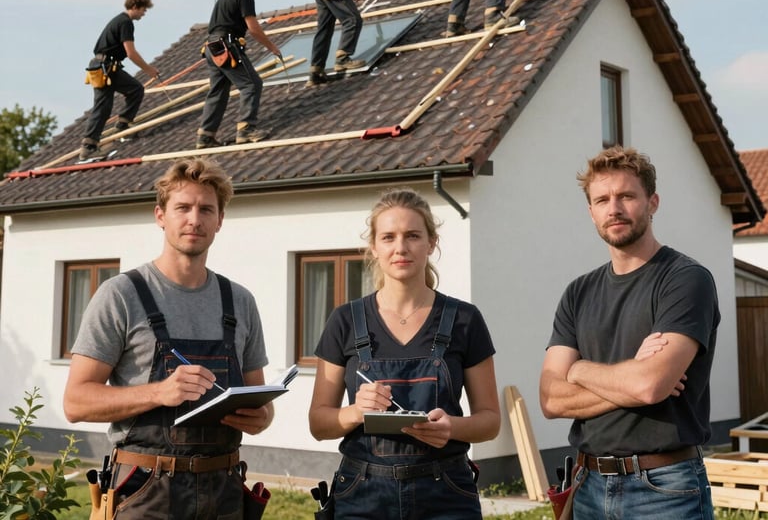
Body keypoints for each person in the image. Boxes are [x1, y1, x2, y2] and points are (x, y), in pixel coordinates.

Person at [63, 156, 273, 520]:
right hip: (146, 492)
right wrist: (159, 392)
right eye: (183, 208)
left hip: (224, 492)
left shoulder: (240, 301)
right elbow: (76, 402)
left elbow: (263, 404)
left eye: (206, 209)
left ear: (220, 220)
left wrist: (261, 417)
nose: (195, 219)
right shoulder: (121, 295)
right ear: (160, 215)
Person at [539, 146, 719, 519]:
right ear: (591, 212)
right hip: (587, 485)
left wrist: (580, 370)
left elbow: (650, 386)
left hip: (665, 487)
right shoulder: (578, 292)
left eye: (626, 196)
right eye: (602, 200)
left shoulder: (685, 280)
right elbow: (551, 399)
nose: (614, 208)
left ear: (652, 202)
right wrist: (633, 374)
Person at [309, 187, 500, 520]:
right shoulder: (345, 320)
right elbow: (318, 423)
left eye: (412, 235)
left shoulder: (465, 319)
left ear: (431, 243)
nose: (400, 248)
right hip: (362, 494)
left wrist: (451, 427)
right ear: (374, 247)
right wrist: (356, 411)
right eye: (388, 237)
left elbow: (490, 421)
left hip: (446, 493)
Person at [196, 0, 282, 149]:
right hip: (227, 45)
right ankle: (246, 130)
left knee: (218, 90)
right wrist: (272, 47)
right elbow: (253, 28)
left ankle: (205, 136)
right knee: (252, 84)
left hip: (212, 47)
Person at [79, 0, 160, 161]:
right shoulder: (125, 23)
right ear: (135, 7)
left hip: (104, 66)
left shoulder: (119, 20)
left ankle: (121, 125)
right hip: (106, 67)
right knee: (111, 102)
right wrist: (149, 69)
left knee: (121, 96)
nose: (144, 14)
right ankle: (89, 147)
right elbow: (131, 53)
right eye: (143, 10)